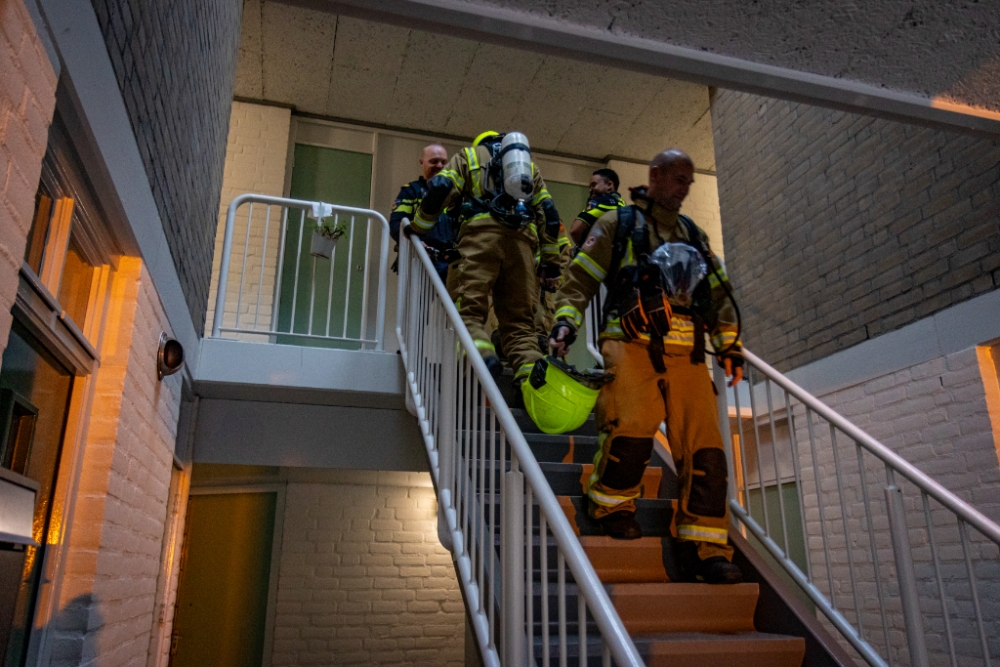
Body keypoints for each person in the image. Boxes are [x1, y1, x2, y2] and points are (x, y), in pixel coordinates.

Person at [548, 149, 744, 584]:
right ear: (654, 175)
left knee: (707, 451)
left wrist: (729, 344)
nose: (684, 188)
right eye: (678, 178)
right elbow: (579, 280)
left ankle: (705, 545)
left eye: (689, 182)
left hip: (688, 354)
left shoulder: (694, 234)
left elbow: (718, 292)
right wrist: (564, 324)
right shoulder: (619, 224)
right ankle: (612, 506)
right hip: (630, 343)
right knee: (631, 430)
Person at [409, 131, 562, 382]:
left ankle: (483, 357)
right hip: (522, 247)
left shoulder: (468, 156)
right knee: (521, 328)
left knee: (468, 314)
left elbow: (440, 188)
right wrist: (551, 263)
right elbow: (549, 214)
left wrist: (417, 228)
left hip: (480, 241)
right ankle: (531, 380)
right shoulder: (528, 168)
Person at [389, 143, 457, 280]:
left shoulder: (455, 194)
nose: (439, 165)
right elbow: (397, 224)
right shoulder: (410, 191)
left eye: (443, 162)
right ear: (422, 163)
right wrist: (417, 243)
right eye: (433, 161)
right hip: (419, 262)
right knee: (418, 302)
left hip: (451, 264)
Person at [568, 168, 626, 247]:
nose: (590, 189)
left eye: (594, 185)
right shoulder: (621, 204)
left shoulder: (605, 201)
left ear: (609, 185)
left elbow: (575, 230)